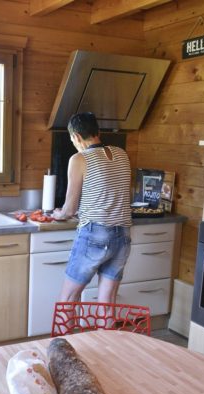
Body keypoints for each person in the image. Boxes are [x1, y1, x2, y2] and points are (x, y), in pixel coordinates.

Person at [52, 112, 132, 303]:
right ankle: (105, 326)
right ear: (97, 132)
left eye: (72, 139)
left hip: (95, 234)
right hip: (122, 234)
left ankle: (66, 327)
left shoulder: (79, 159)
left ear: (76, 136)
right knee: (107, 301)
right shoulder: (121, 153)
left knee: (68, 299)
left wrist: (59, 214)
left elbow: (70, 209)